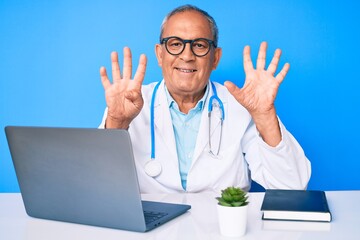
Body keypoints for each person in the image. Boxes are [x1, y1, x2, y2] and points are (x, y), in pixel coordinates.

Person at [99, 4, 311, 193]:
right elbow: (100, 185)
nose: (187, 55)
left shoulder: (242, 104)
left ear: (215, 58)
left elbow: (292, 186)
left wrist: (264, 115)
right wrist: (117, 122)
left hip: (224, 225)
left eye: (199, 45)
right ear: (160, 54)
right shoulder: (131, 101)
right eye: (175, 44)